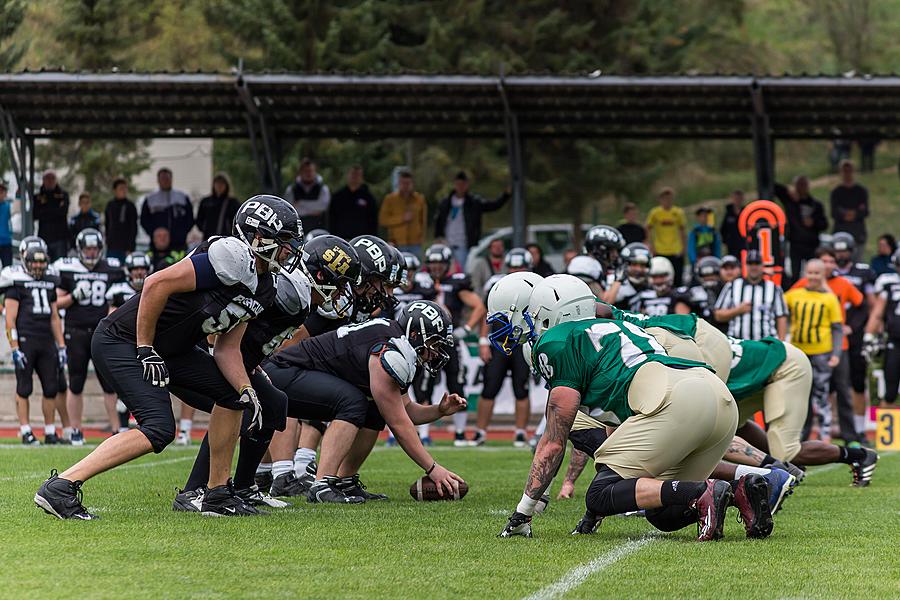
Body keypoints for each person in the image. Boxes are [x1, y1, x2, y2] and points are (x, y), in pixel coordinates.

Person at [33, 195, 302, 520]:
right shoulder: (230, 256)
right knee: (159, 428)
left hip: (172, 350)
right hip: (124, 339)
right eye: (283, 242)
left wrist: (247, 388)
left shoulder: (264, 286)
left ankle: (217, 493)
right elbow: (155, 284)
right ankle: (61, 486)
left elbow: (227, 348)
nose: (288, 251)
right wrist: (145, 347)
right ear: (257, 236)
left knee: (234, 397)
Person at [495, 275, 770, 542]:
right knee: (665, 514)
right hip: (716, 395)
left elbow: (553, 443)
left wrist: (523, 512)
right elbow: (622, 429)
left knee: (600, 493)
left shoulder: (558, 342)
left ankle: (705, 490)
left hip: (675, 400)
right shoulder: (619, 329)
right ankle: (740, 489)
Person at [264, 301, 467, 503]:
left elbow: (405, 410)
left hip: (292, 375)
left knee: (373, 408)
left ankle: (345, 481)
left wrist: (439, 410)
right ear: (415, 335)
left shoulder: (397, 345)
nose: (435, 352)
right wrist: (433, 468)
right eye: (434, 344)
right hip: (283, 374)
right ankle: (322, 485)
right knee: (352, 401)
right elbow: (399, 424)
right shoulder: (390, 351)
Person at [53, 228, 126, 445]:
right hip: (76, 332)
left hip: (103, 333)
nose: (92, 253)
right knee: (76, 382)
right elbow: (56, 304)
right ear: (80, 249)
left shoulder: (112, 269)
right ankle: (75, 429)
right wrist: (73, 296)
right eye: (88, 249)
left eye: (95, 249)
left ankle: (116, 430)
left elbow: (119, 301)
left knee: (109, 384)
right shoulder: (67, 268)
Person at [791, 246, 863, 444]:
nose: (828, 265)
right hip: (810, 347)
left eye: (831, 261)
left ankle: (850, 435)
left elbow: (861, 304)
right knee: (810, 392)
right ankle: (804, 436)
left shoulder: (842, 284)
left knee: (842, 390)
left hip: (839, 346)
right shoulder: (802, 285)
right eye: (824, 261)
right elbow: (786, 305)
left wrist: (853, 327)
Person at [417, 243, 486, 445]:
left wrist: (466, 329)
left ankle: (459, 433)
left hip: (448, 341)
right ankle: (424, 435)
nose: (436, 267)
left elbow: (479, 306)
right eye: (432, 263)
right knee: (424, 386)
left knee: (457, 383)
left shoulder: (455, 283)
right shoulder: (422, 284)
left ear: (448, 264)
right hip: (427, 342)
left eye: (440, 263)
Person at [5, 246, 67, 445]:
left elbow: (55, 317)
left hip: (46, 340)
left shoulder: (50, 282)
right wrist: (14, 347)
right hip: (26, 340)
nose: (38, 265)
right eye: (35, 261)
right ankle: (25, 430)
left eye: (41, 262)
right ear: (26, 262)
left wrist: (62, 345)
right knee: (24, 387)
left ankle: (50, 431)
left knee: (51, 387)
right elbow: (10, 319)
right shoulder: (16, 283)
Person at [476, 249, 538, 447]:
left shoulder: (536, 285)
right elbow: (488, 311)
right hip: (498, 341)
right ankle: (480, 432)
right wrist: (483, 340)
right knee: (489, 388)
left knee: (521, 388)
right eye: (512, 267)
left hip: (523, 342)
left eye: (520, 267)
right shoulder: (497, 282)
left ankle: (520, 432)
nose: (516, 270)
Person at [784, 259, 844, 442]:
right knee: (799, 396)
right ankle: (800, 434)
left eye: (817, 273)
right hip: (799, 353)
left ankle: (825, 434)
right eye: (809, 272)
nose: (812, 276)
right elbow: (778, 310)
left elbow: (837, 328)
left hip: (821, 353)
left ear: (823, 275)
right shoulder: (794, 295)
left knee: (821, 394)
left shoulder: (829, 298)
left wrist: (836, 353)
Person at [830, 233, 877, 444]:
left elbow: (870, 304)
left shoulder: (863, 272)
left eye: (844, 250)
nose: (841, 254)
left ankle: (858, 430)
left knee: (857, 382)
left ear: (851, 251)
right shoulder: (826, 272)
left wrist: (866, 330)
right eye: (837, 250)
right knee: (831, 384)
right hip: (830, 334)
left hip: (855, 333)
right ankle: (832, 427)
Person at [434, 171, 510, 270]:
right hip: (446, 243)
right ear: (454, 184)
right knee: (443, 269)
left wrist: (506, 195)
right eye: (458, 184)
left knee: (462, 270)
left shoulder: (474, 202)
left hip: (463, 245)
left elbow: (493, 205)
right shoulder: (446, 203)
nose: (460, 187)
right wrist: (438, 237)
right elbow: (438, 220)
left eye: (463, 184)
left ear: (467, 185)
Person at [714, 250, 788, 340]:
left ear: (762, 265)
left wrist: (782, 343)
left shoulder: (774, 288)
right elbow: (718, 315)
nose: (753, 267)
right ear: (746, 266)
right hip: (739, 344)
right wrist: (737, 310)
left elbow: (781, 317)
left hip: (766, 344)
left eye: (757, 263)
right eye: (750, 263)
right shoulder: (732, 286)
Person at [774, 176, 828, 280]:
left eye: (804, 185)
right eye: (799, 185)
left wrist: (813, 222)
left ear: (808, 186)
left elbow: (824, 224)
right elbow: (773, 187)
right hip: (795, 243)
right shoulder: (790, 201)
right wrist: (788, 189)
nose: (801, 188)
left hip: (812, 244)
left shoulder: (816, 205)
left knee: (813, 272)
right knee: (794, 274)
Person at [865, 250, 900, 406]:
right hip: (895, 341)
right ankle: (888, 428)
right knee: (890, 388)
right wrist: (868, 338)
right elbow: (877, 313)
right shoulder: (889, 283)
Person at [139, 168, 194, 251]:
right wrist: (153, 234)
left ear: (171, 179)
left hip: (179, 244)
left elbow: (190, 219)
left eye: (167, 178)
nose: (165, 181)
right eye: (162, 178)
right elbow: (144, 220)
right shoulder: (150, 199)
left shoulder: (182, 197)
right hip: (158, 246)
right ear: (158, 180)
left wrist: (182, 233)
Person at [379, 169, 427, 257]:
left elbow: (423, 221)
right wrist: (402, 218)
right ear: (398, 183)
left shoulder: (419, 199)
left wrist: (421, 239)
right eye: (403, 183)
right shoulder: (390, 199)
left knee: (415, 268)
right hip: (396, 243)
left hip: (415, 244)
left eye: (408, 183)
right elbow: (383, 220)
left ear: (412, 183)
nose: (406, 186)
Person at [646, 187, 687, 285]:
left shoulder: (678, 212)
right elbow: (648, 228)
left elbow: (682, 230)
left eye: (669, 198)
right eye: (665, 199)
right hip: (660, 250)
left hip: (675, 250)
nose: (667, 201)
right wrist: (651, 245)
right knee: (660, 275)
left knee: (677, 277)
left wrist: (683, 247)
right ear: (660, 200)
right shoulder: (655, 213)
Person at [830, 159, 869, 258]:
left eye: (849, 170)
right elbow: (834, 212)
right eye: (845, 171)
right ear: (841, 172)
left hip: (857, 232)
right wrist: (848, 214)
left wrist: (853, 213)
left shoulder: (861, 191)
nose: (847, 174)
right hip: (841, 231)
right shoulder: (836, 192)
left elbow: (865, 211)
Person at [328, 165, 378, 240]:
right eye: (353, 174)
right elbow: (331, 218)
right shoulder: (338, 196)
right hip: (341, 238)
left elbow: (373, 220)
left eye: (358, 175)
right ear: (347, 175)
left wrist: (372, 238)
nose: (355, 177)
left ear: (362, 177)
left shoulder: (368, 197)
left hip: (362, 240)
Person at [284, 157, 330, 232]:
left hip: (318, 230)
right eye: (306, 171)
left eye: (311, 171)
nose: (309, 173)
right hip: (298, 231)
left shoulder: (323, 188)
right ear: (300, 172)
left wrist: (300, 204)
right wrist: (313, 210)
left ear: (315, 172)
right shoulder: (291, 189)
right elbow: (289, 210)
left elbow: (322, 207)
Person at [33, 170, 70, 260]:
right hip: (44, 237)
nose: (50, 181)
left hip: (60, 238)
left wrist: (46, 210)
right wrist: (54, 208)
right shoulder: (37, 197)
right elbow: (36, 214)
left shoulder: (63, 195)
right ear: (43, 180)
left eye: (52, 178)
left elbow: (62, 212)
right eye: (47, 179)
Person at [605, 242, 651, 309]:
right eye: (634, 264)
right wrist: (617, 282)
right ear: (624, 265)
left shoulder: (652, 283)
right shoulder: (613, 281)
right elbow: (605, 304)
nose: (638, 269)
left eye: (642, 265)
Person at [195, 173, 240, 238]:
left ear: (226, 185)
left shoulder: (232, 203)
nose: (219, 186)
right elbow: (199, 220)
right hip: (208, 238)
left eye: (222, 183)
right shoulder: (206, 202)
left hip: (226, 238)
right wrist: (205, 229)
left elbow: (237, 221)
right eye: (217, 183)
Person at [103, 178, 138, 261]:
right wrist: (108, 240)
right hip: (112, 246)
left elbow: (134, 227)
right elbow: (107, 224)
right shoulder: (110, 205)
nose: (124, 190)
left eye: (125, 188)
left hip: (126, 247)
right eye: (121, 188)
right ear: (115, 190)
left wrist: (131, 248)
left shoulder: (130, 206)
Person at [720, 189, 746, 255]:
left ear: (742, 199)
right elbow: (723, 229)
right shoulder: (728, 213)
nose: (737, 200)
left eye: (739, 198)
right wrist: (726, 241)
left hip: (743, 244)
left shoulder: (745, 212)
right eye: (735, 198)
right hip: (731, 245)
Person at [0, 181, 12, 266]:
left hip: (6, 241)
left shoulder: (8, 206)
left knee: (7, 267)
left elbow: (16, 211)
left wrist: (18, 197)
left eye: (2, 191)